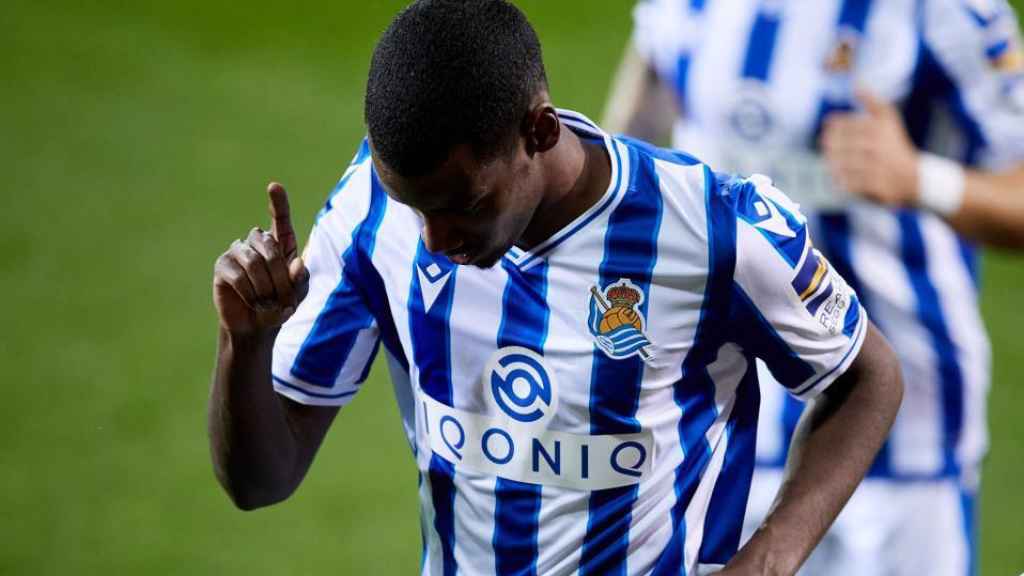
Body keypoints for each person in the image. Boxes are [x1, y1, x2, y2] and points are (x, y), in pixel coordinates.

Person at [208, 1, 902, 574]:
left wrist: (770, 558)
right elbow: (260, 482)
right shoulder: (372, 209)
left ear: (537, 130)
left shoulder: (709, 227)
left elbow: (867, 376)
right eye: (417, 210)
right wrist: (246, 344)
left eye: (464, 206)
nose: (434, 242)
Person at [604, 0, 1024, 573]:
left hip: (904, 435)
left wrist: (921, 179)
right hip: (724, 428)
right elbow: (631, 144)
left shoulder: (946, 10)